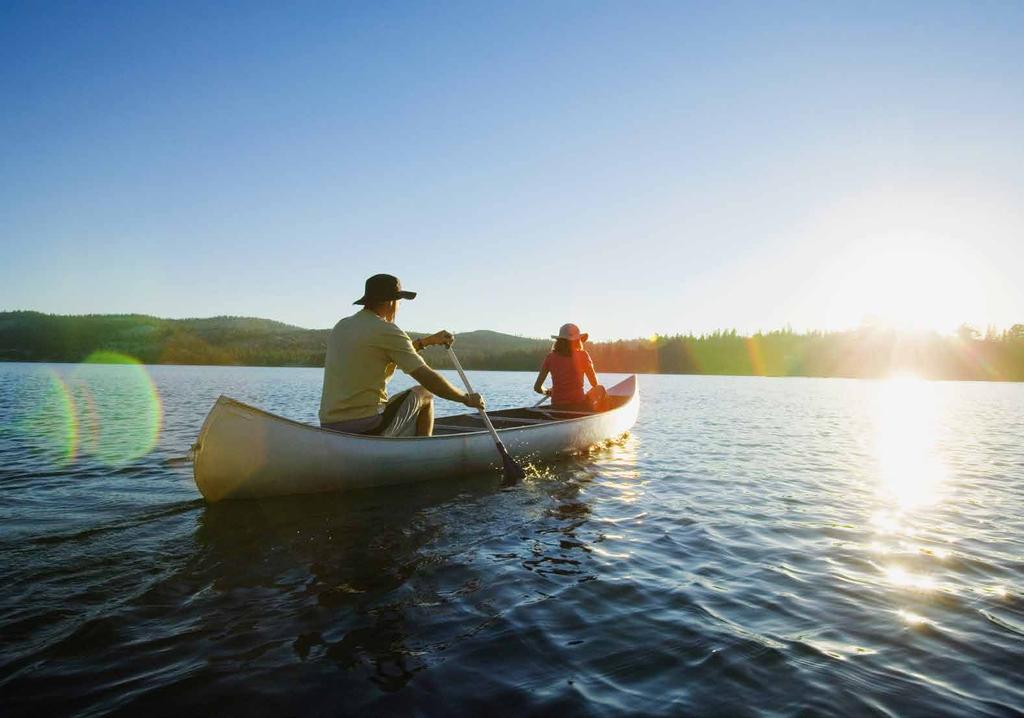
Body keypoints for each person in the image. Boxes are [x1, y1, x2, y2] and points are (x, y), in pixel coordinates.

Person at [319, 273, 484, 436]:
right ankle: (423, 452)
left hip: (329, 425)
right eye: (399, 302)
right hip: (366, 425)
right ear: (391, 302)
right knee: (425, 394)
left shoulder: (342, 326)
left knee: (394, 402)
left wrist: (427, 342)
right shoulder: (385, 329)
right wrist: (465, 398)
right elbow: (427, 377)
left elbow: (388, 351)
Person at [533, 323, 606, 411]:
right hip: (578, 406)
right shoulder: (583, 355)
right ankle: (599, 417)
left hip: (557, 407)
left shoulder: (550, 357)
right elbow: (594, 383)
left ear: (559, 340)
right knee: (600, 389)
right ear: (578, 340)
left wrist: (548, 391)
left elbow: (537, 388)